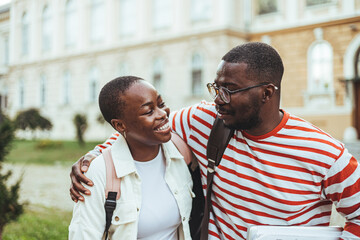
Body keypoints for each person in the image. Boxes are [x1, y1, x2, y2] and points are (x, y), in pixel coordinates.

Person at [70, 42, 360, 239]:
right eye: (216, 87)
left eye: (230, 90)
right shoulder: (205, 120)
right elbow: (138, 130)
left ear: (267, 93)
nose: (218, 100)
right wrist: (94, 157)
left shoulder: (324, 153)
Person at [68, 76, 193, 240]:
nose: (163, 114)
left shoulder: (181, 152)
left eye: (161, 104)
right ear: (120, 125)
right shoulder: (99, 172)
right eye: (149, 111)